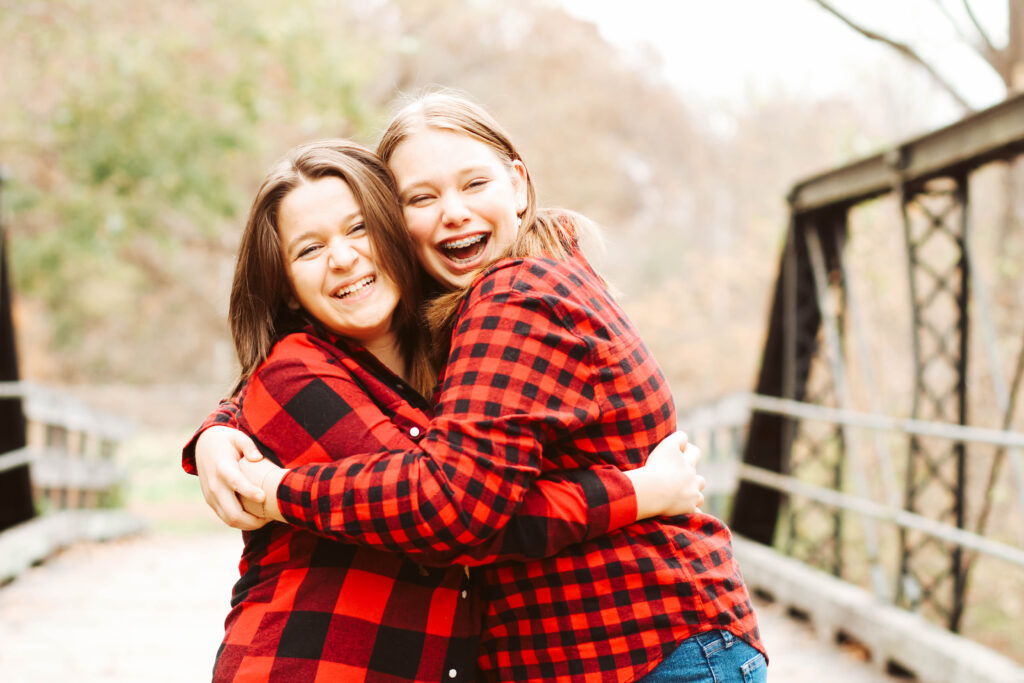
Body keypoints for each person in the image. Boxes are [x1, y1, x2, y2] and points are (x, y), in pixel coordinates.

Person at [196, 90, 767, 682]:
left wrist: (278, 486)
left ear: (517, 185)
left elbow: (453, 505)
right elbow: (454, 509)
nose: (453, 213)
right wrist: (639, 491)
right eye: (422, 197)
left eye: (474, 185)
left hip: (641, 647)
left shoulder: (505, 303)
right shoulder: (428, 336)